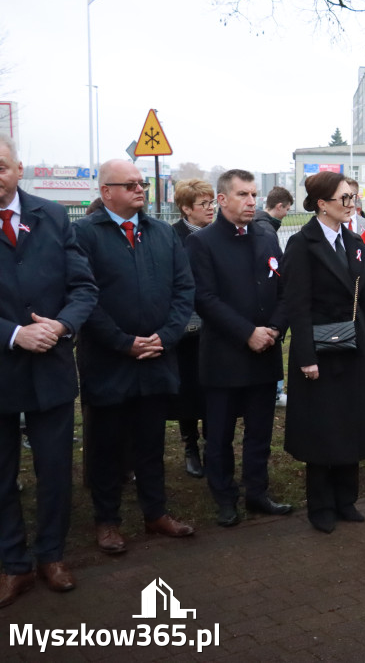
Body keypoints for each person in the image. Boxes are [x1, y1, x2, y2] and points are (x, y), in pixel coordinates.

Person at [75, 159, 196, 554]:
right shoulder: (84, 234)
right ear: (106, 192)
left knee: (151, 442)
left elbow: (183, 289)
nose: (139, 189)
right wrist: (122, 342)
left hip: (158, 358)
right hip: (109, 361)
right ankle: (107, 521)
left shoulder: (162, 233)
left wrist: (167, 335)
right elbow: (83, 296)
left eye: (141, 183)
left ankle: (155, 512)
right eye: (129, 185)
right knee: (107, 445)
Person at [0, 134, 97, 607]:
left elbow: (83, 287)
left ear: (19, 169)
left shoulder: (54, 216)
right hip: (3, 366)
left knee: (55, 470)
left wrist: (61, 324)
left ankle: (52, 555)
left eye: (0, 166)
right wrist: (14, 334)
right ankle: (13, 564)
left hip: (52, 370)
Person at [186, 169, 291, 527]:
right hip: (225, 356)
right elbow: (205, 298)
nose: (252, 202)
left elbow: (283, 291)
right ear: (221, 199)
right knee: (219, 435)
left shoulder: (265, 236)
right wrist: (247, 332)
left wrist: (275, 328)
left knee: (260, 431)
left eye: (254, 195)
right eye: (244, 195)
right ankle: (224, 497)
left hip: (265, 353)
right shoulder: (202, 242)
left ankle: (257, 492)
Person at [282, 172, 365, 532]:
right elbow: (297, 305)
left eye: (353, 197)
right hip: (319, 353)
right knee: (322, 429)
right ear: (322, 204)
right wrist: (306, 356)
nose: (351, 203)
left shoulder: (355, 241)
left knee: (352, 424)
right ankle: (321, 506)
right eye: (344, 198)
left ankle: (346, 500)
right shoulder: (301, 244)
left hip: (353, 347)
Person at [170, 178, 216, 478]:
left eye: (212, 202)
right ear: (187, 209)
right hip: (185, 326)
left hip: (215, 324)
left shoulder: (218, 234)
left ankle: (214, 443)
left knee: (213, 387)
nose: (211, 208)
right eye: (204, 204)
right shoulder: (171, 236)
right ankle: (190, 446)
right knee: (187, 388)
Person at [249, 186, 292, 409]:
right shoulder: (266, 229)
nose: (286, 214)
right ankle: (276, 391)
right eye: (286, 209)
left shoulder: (260, 224)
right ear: (278, 206)